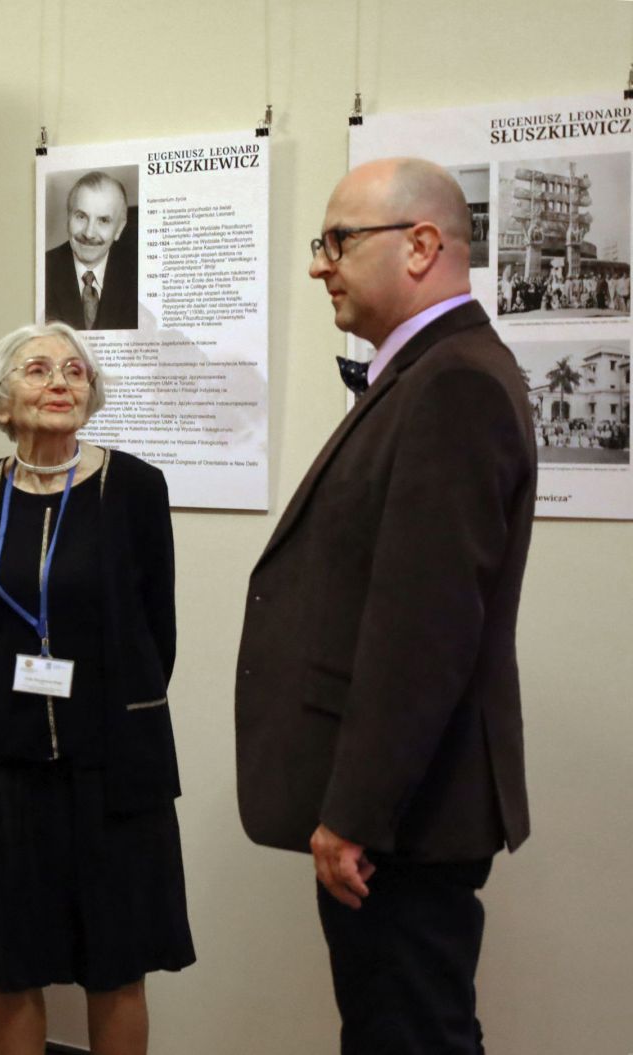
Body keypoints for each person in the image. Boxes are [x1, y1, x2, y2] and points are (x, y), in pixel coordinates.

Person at [236, 158, 536, 1053]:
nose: (318, 264)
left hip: (405, 818)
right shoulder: (431, 373)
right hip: (401, 812)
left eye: (338, 240)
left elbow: (426, 631)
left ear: (421, 245)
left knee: (409, 1035)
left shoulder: (453, 383)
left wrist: (357, 813)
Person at [0, 323, 192, 1055]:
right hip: (5, 765)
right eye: (38, 369)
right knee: (10, 966)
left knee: (116, 963)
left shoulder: (135, 487)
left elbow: (157, 630)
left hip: (112, 765)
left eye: (75, 371)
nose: (60, 381)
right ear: (2, 400)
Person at [44, 171, 139, 331]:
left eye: (103, 220)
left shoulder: (136, 277)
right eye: (81, 217)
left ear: (119, 228)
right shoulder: (44, 269)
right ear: (68, 218)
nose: (89, 233)